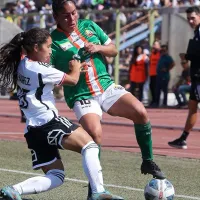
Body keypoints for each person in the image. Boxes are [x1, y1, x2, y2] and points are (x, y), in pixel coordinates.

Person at [50, 1, 165, 198]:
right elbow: (50, 74)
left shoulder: (89, 26)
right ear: (56, 18)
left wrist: (97, 47)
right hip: (81, 94)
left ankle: (148, 160)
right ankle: (95, 189)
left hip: (106, 86)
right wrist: (71, 71)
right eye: (66, 15)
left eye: (74, 13)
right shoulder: (52, 41)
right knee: (95, 134)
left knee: (141, 112)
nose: (72, 18)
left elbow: (113, 49)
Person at [0, 28, 123, 200]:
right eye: (48, 47)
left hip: (32, 130)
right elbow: (71, 81)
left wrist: (72, 70)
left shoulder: (22, 64)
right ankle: (98, 192)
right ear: (36, 47)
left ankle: (14, 191)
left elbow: (47, 80)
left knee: (56, 176)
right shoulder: (38, 68)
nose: (51, 51)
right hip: (48, 122)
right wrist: (75, 67)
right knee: (90, 146)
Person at [168, 6, 200, 149]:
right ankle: (183, 138)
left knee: (193, 107)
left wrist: (186, 56)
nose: (190, 21)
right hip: (196, 76)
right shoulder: (196, 32)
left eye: (193, 18)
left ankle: (183, 138)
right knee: (192, 107)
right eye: (188, 19)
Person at [149, 40, 161, 107]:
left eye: (156, 44)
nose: (155, 46)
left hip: (158, 74)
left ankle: (157, 102)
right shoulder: (152, 54)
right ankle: (153, 100)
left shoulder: (160, 53)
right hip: (152, 73)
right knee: (152, 87)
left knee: (157, 88)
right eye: (154, 44)